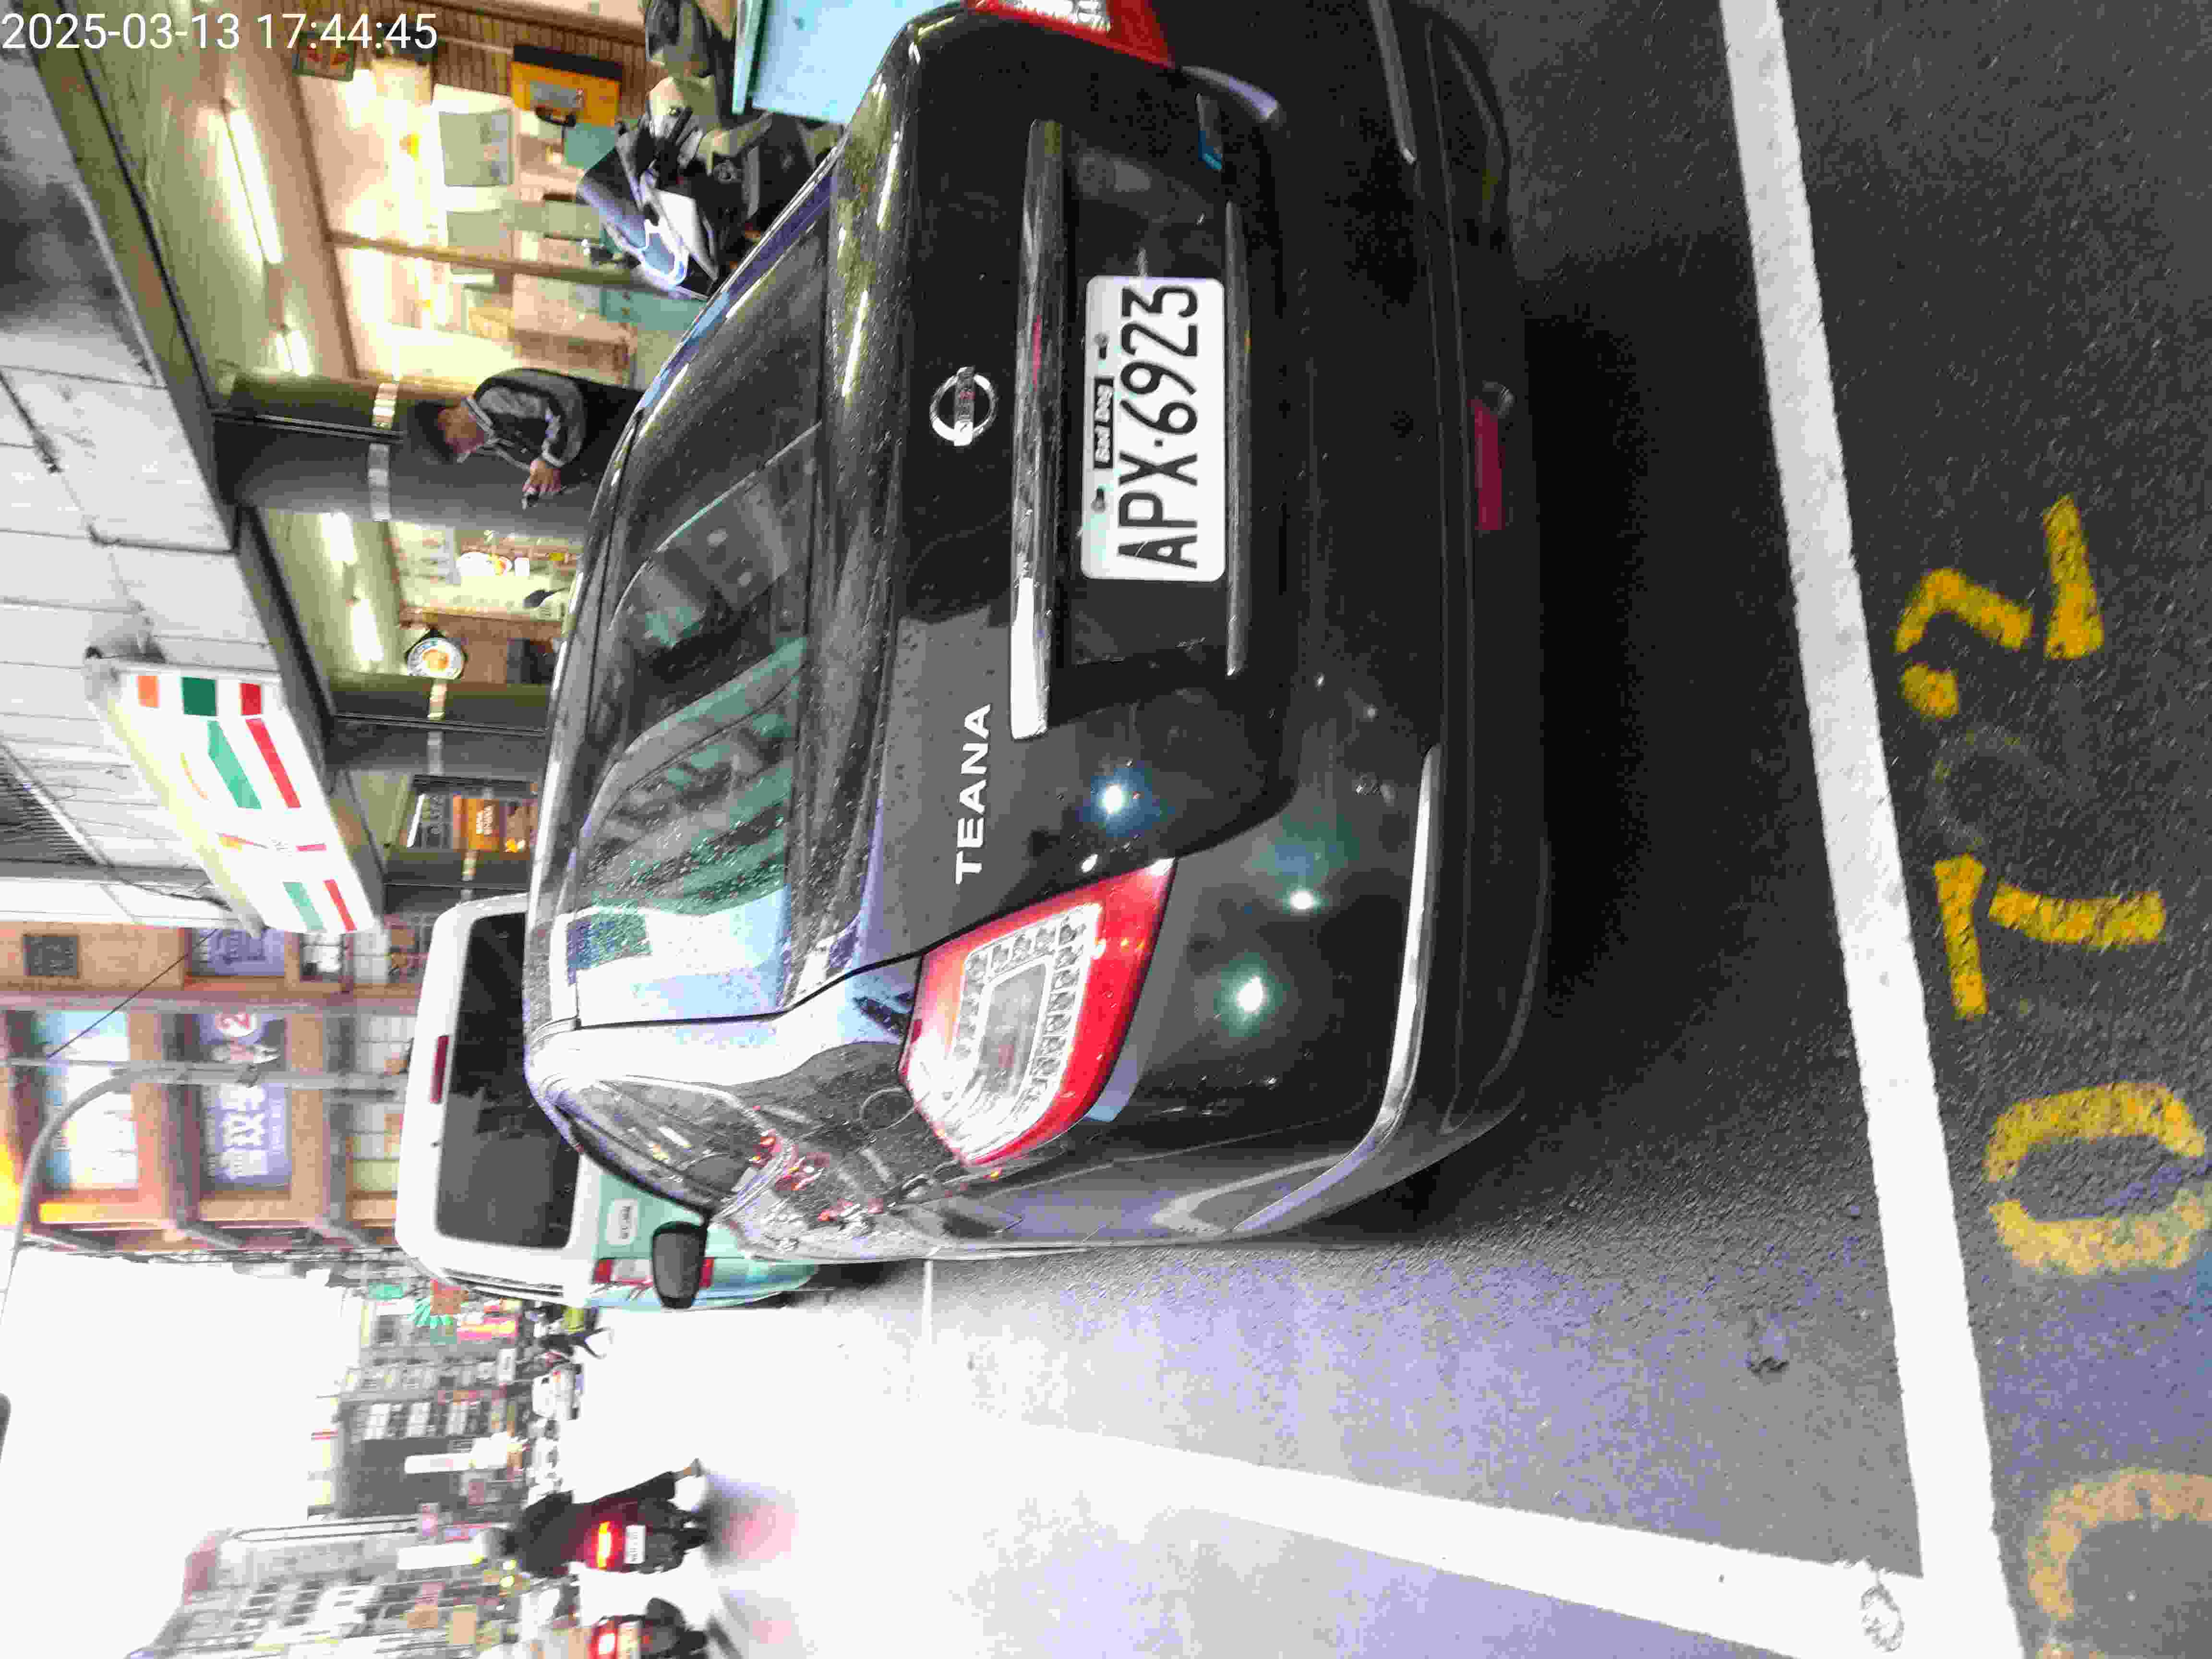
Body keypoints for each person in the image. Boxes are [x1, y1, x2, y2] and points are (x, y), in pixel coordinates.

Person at [411, 369, 629, 505]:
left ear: (446, 419)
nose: (468, 450)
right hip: (623, 463)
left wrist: (550, 461)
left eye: (458, 445)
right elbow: (558, 466)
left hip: (628, 423)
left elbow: (565, 401)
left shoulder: (493, 395)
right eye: (462, 455)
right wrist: (553, 481)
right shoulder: (502, 445)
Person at [507, 1460, 712, 1577]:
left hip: (590, 1552)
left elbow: (558, 1572)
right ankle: (686, 1472)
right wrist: (566, 1499)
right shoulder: (526, 1519)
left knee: (627, 1565)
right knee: (636, 1494)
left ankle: (661, 1557)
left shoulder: (526, 1564)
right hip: (592, 1516)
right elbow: (556, 1501)